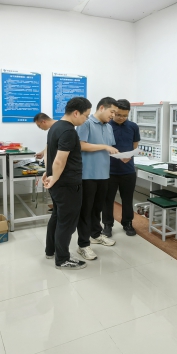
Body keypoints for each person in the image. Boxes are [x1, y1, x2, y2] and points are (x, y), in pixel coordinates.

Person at [42, 97, 92, 270]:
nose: (86, 119)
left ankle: (51, 251)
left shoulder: (55, 127)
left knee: (57, 217)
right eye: (86, 115)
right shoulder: (69, 131)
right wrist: (54, 176)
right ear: (76, 113)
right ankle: (63, 259)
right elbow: (60, 160)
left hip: (58, 183)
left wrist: (48, 173)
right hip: (67, 184)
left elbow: (50, 153)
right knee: (67, 222)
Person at [75, 97, 119, 260]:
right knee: (85, 211)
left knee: (97, 208)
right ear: (102, 108)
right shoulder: (86, 123)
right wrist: (105, 146)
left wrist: (120, 155)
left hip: (104, 174)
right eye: (112, 112)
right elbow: (81, 145)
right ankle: (83, 245)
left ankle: (95, 234)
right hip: (88, 175)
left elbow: (108, 147)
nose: (113, 115)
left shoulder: (108, 127)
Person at [102, 99, 140, 237]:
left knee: (127, 199)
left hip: (128, 170)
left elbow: (135, 145)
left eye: (125, 115)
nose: (121, 118)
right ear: (113, 112)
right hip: (109, 170)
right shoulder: (106, 126)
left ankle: (127, 223)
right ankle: (107, 224)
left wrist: (130, 155)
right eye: (118, 114)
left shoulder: (133, 127)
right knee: (108, 200)